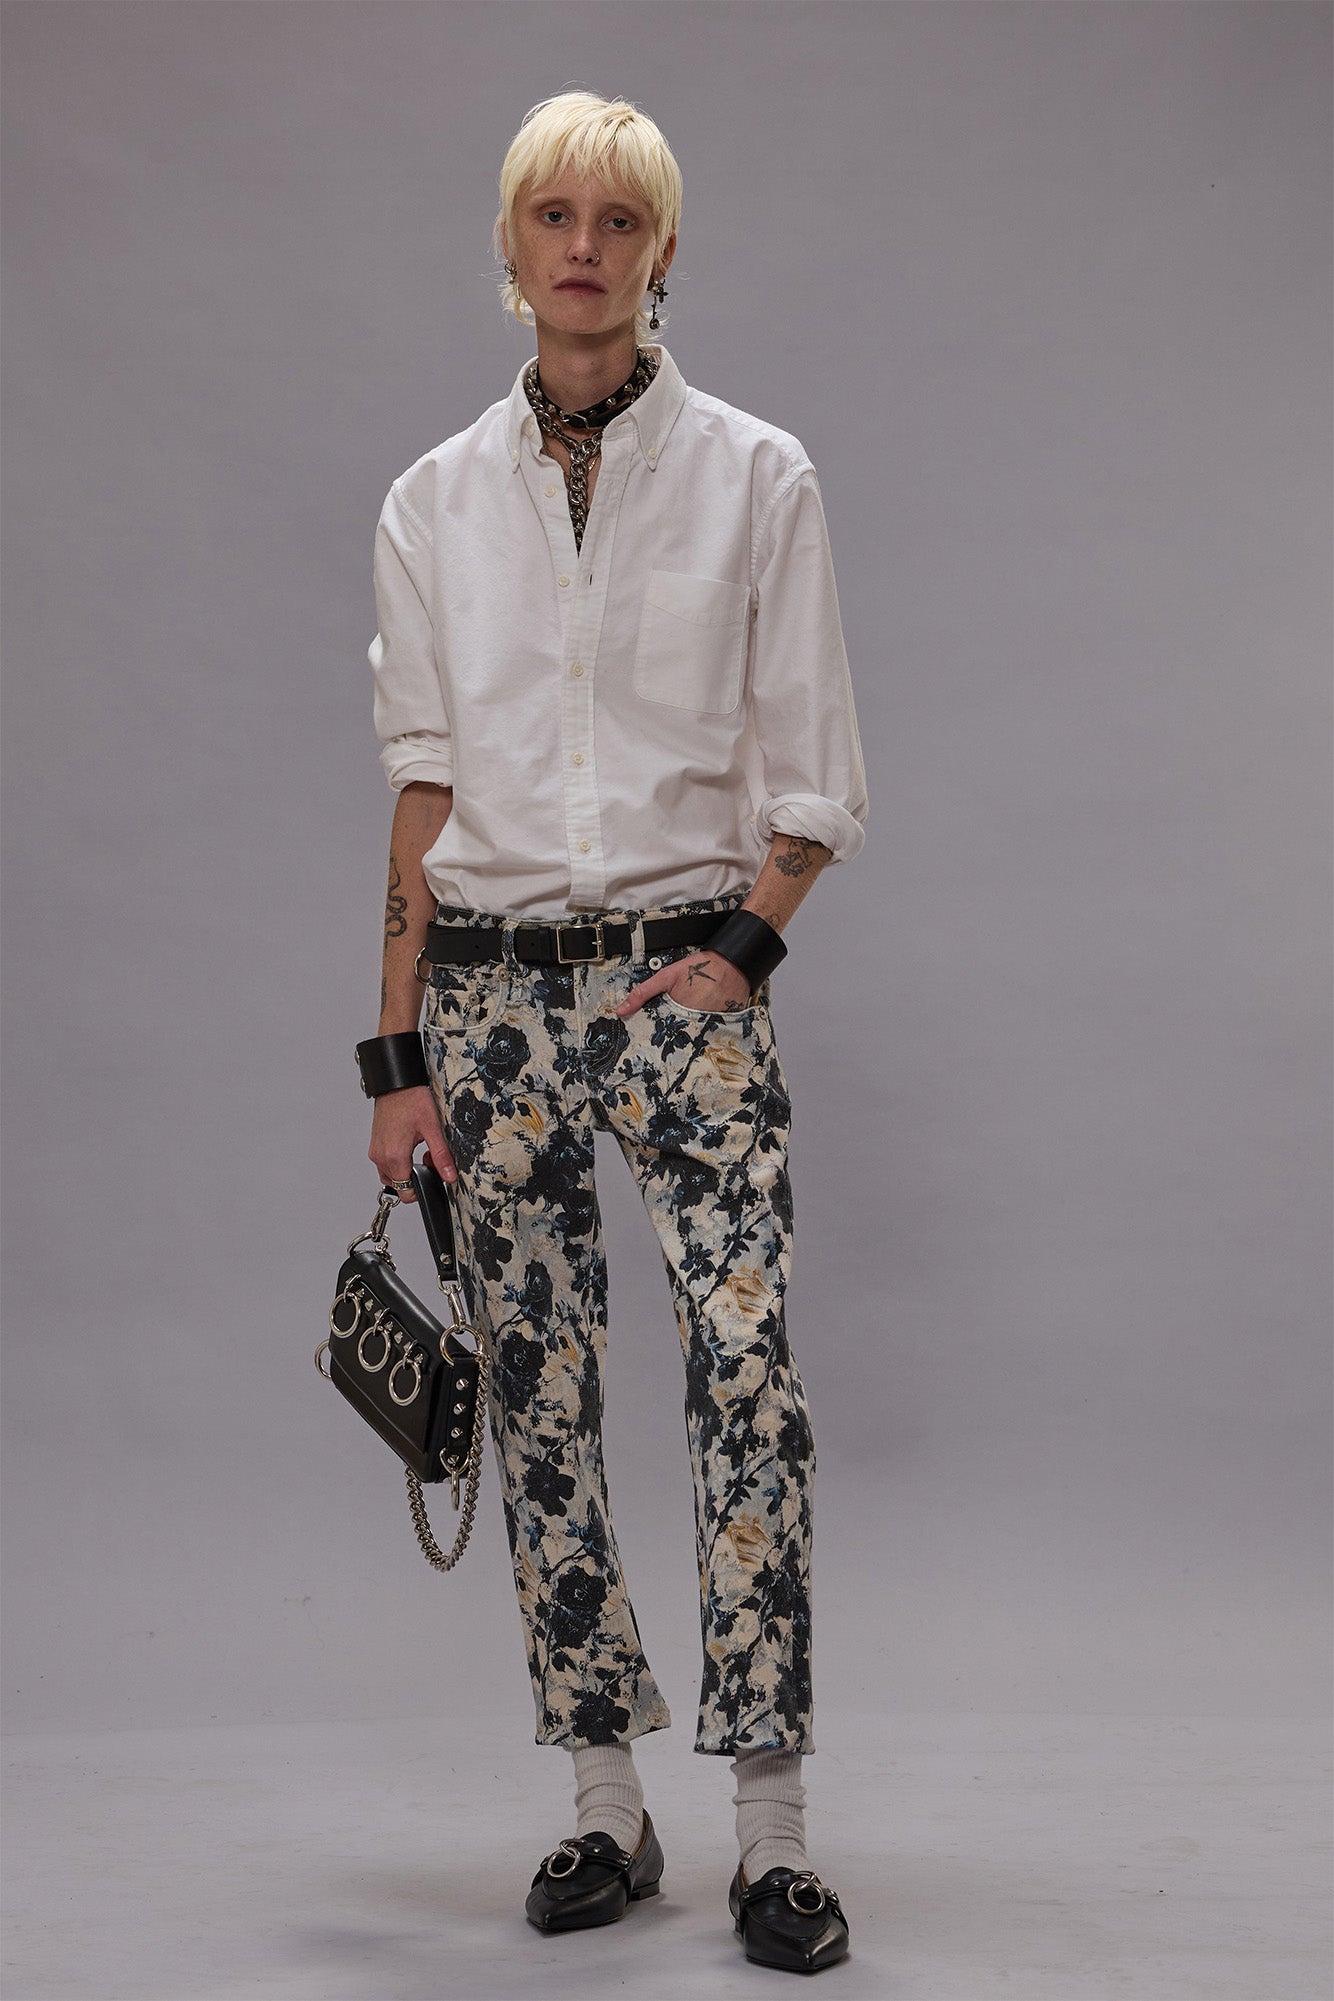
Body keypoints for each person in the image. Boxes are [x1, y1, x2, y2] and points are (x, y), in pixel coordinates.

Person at [360, 89, 867, 1974]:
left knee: (747, 1382)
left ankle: (773, 1834)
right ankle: (602, 1807)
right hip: (487, 1005)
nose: (584, 246)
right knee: (540, 1398)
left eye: (620, 219)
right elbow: (421, 791)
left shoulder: (756, 475)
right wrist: (394, 1056)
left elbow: (814, 769)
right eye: (553, 215)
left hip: (682, 993)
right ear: (509, 249)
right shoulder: (431, 501)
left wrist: (744, 948)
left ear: (664, 252)